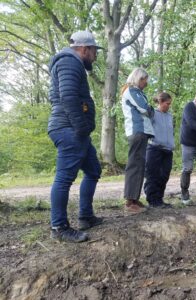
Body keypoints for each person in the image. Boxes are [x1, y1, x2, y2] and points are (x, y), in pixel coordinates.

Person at [48, 31, 103, 243]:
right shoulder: (70, 62)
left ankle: (86, 216)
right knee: (64, 178)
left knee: (93, 170)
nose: (95, 56)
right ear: (84, 49)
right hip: (68, 129)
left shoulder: (73, 63)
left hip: (74, 129)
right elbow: (68, 96)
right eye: (94, 51)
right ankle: (59, 227)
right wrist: (81, 128)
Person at [121, 68, 154, 214]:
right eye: (144, 79)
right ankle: (129, 202)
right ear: (138, 78)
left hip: (142, 132)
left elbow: (148, 110)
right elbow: (145, 109)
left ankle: (134, 199)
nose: (146, 83)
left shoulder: (138, 92)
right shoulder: (131, 91)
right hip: (137, 131)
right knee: (134, 165)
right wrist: (150, 108)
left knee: (140, 165)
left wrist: (150, 109)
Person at [144, 92, 174, 208]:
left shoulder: (169, 116)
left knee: (164, 175)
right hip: (154, 148)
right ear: (160, 102)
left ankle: (159, 200)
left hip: (168, 150)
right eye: (167, 103)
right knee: (153, 175)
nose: (169, 106)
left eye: (170, 104)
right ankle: (152, 201)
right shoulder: (153, 114)